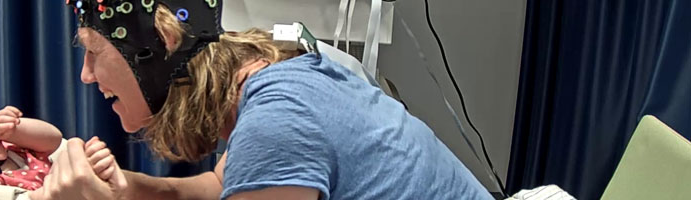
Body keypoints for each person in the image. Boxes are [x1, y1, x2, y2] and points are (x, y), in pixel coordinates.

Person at [42, 0, 493, 199]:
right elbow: (217, 188)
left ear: (160, 44)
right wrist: (127, 190)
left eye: (93, 52)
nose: (85, 75)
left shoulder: (277, 121)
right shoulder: (272, 75)